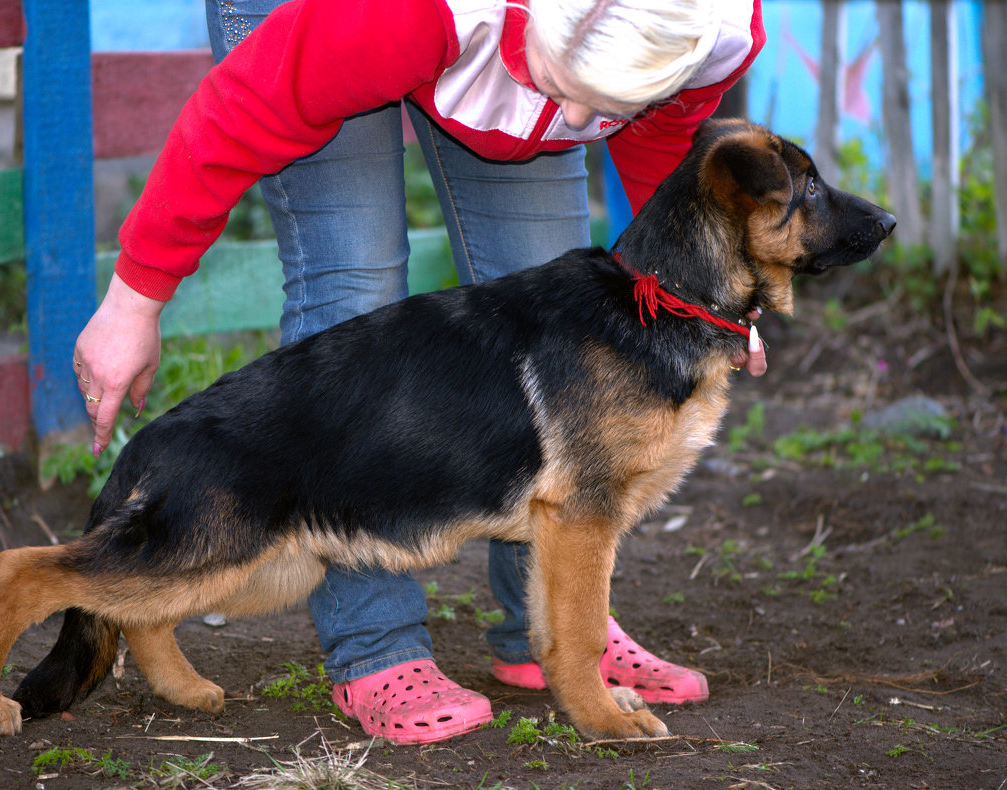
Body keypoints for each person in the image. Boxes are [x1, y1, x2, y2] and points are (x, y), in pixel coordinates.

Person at [73, 0, 767, 744]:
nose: (570, 121)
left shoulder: (712, 26)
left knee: (555, 299)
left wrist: (705, 297)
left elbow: (664, 149)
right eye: (562, 86)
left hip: (487, 48)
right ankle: (376, 645)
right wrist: (133, 299)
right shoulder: (410, 17)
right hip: (345, 23)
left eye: (599, 109)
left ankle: (563, 636)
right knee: (353, 286)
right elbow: (241, 109)